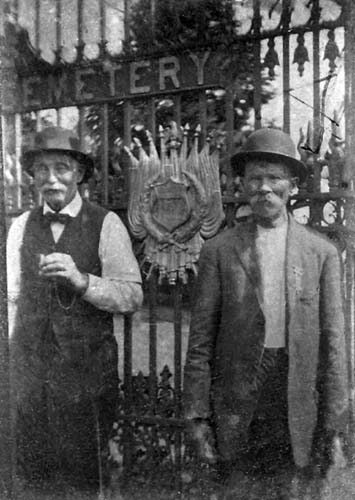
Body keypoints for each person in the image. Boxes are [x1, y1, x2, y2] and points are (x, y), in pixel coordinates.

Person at [183, 128, 348, 499]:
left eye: (275, 178)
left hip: (296, 396)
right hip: (239, 399)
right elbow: (200, 343)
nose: (265, 188)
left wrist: (336, 420)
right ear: (243, 185)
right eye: (255, 178)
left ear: (291, 185)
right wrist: (196, 415)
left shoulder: (320, 253)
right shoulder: (220, 251)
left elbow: (335, 344)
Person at [7, 126, 143, 490]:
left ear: (79, 174)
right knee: (30, 481)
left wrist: (83, 281)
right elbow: (11, 299)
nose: (51, 178)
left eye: (62, 168)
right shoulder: (20, 227)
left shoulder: (106, 223)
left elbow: (131, 295)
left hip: (86, 383)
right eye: (42, 169)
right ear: (33, 176)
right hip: (29, 380)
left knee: (82, 482)